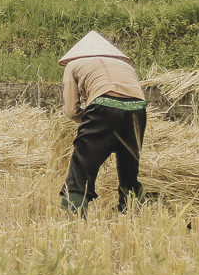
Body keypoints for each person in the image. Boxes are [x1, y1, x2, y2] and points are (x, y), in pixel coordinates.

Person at [59, 30, 147, 215]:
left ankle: (74, 217)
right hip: (137, 110)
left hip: (102, 106)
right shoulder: (126, 67)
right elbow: (132, 96)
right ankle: (131, 213)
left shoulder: (73, 64)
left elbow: (70, 110)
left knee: (81, 166)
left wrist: (88, 122)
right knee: (129, 166)